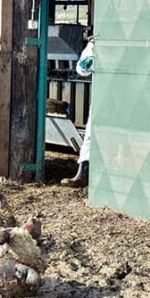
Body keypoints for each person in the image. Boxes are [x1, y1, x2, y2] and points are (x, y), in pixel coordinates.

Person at [61, 37, 94, 188]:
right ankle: (83, 174)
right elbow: (81, 69)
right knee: (91, 134)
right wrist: (92, 62)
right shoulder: (95, 44)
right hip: (104, 97)